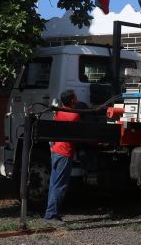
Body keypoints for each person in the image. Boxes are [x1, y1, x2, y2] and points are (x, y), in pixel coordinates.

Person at [44, 90, 81, 225]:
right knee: (60, 185)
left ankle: (51, 213)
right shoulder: (74, 115)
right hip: (65, 152)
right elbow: (78, 133)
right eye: (75, 97)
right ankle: (51, 215)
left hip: (56, 149)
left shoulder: (59, 112)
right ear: (72, 100)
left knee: (54, 183)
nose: (77, 98)